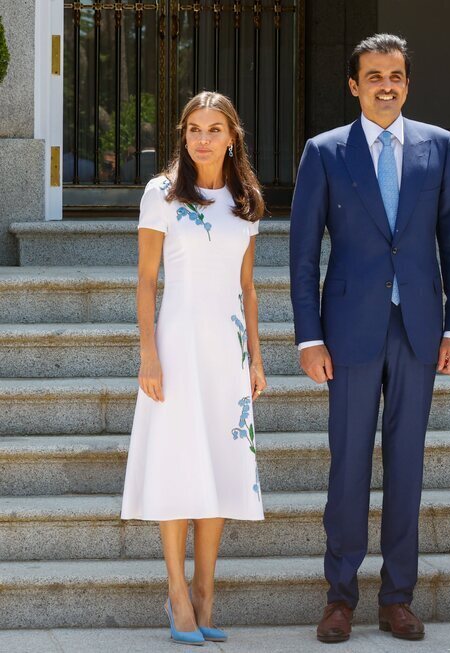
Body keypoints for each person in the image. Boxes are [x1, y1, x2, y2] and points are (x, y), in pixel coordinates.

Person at [289, 33, 450, 644]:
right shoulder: (324, 152)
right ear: (354, 84)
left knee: (407, 468)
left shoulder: (439, 147)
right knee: (347, 467)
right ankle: (339, 597)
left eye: (395, 75)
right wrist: (308, 338)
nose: (386, 86)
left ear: (407, 82)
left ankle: (398, 597)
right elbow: (300, 254)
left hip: (419, 329)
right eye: (373, 77)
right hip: (347, 333)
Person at [121, 91, 267, 646]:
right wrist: (149, 354)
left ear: (232, 137)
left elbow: (248, 287)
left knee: (221, 466)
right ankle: (178, 594)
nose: (203, 139)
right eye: (193, 129)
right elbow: (145, 279)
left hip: (227, 353)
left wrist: (255, 356)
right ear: (182, 136)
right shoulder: (160, 194)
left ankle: (206, 590)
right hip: (177, 347)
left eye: (214, 129)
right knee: (179, 465)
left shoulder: (246, 198)